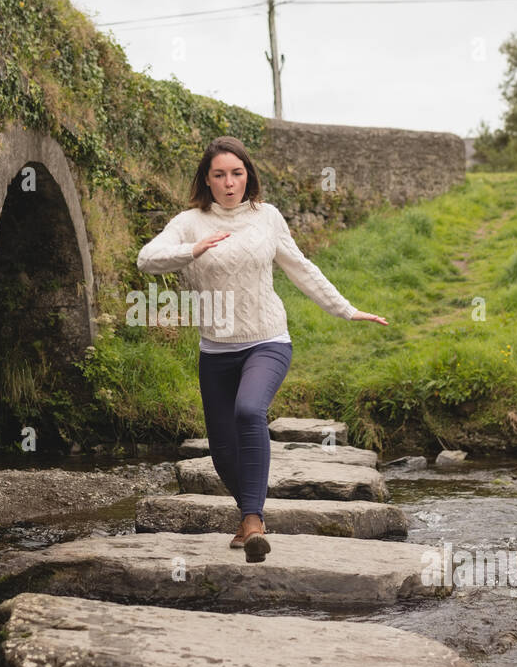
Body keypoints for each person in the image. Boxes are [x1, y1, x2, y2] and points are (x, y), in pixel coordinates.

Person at [136, 136, 388, 563]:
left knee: (249, 411)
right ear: (207, 179)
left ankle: (253, 520)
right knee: (221, 452)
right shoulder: (188, 222)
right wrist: (191, 250)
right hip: (215, 350)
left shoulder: (266, 217)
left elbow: (301, 268)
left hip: (267, 339)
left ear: (248, 175)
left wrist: (345, 310)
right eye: (219, 175)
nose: (230, 183)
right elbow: (147, 259)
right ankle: (248, 515)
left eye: (237, 173)